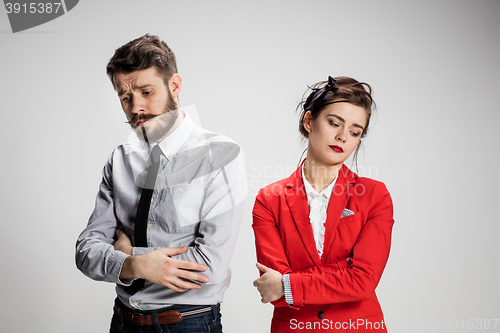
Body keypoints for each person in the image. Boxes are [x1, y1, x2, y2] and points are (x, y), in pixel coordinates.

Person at [75, 34, 246, 333]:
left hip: (189, 323)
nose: (136, 107)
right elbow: (87, 250)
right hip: (124, 321)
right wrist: (136, 265)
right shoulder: (120, 159)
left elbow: (210, 266)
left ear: (174, 86)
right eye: (125, 97)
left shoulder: (220, 155)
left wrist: (127, 254)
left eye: (146, 91)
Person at [252, 76, 394, 332]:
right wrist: (344, 271)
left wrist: (288, 285)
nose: (342, 137)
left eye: (354, 132)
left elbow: (363, 281)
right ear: (309, 122)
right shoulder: (269, 199)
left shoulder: (374, 195)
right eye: (334, 123)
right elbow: (271, 286)